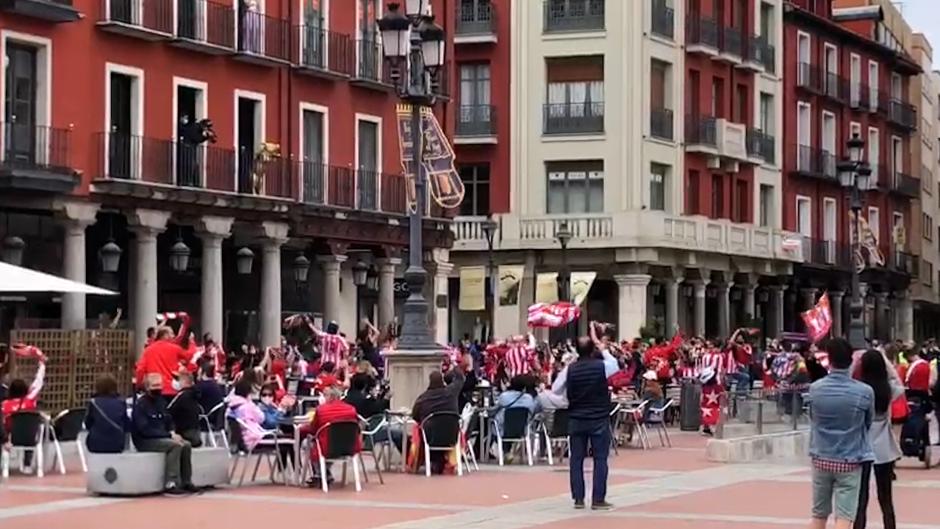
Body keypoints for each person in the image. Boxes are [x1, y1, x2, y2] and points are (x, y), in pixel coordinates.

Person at [808, 338, 874, 529]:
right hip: (850, 459)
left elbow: (813, 418)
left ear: (830, 360)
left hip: (821, 456)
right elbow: (867, 423)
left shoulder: (815, 388)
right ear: (851, 360)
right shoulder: (864, 391)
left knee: (818, 514)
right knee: (845, 516)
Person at [551, 331, 618, 511]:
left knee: (576, 459)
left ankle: (578, 498)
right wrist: (602, 348)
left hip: (577, 417)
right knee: (600, 459)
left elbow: (556, 389)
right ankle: (598, 498)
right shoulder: (602, 366)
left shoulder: (570, 369)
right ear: (592, 350)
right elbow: (615, 365)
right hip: (598, 417)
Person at [854, 349, 902, 529]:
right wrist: (886, 361)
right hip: (884, 448)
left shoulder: (859, 390)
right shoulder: (888, 390)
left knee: (861, 497)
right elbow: (898, 381)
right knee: (886, 499)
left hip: (861, 446)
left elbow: (849, 374)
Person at [132, 373, 195, 495]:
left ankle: (186, 481)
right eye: (154, 385)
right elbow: (144, 429)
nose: (158, 388)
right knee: (175, 446)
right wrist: (168, 435)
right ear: (147, 387)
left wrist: (172, 432)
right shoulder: (141, 404)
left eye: (159, 385)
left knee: (186, 444)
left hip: (163, 436)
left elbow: (168, 420)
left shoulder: (161, 401)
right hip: (145, 440)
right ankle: (171, 482)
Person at [298, 386, 360, 483]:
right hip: (349, 447)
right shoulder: (351, 409)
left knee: (308, 443)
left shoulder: (321, 410)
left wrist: (300, 429)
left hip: (327, 447)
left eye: (324, 395)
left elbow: (313, 429)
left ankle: (320, 473)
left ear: (329, 396)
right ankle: (325, 472)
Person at [135, 326, 193, 396]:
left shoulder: (148, 350)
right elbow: (188, 357)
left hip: (154, 389)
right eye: (172, 333)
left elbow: (140, 369)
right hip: (172, 389)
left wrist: (139, 385)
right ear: (165, 335)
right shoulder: (175, 348)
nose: (174, 336)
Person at [1, 346, 46, 433]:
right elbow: (38, 382)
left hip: (10, 437)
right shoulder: (30, 400)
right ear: (26, 389)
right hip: (29, 436)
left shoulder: (4, 406)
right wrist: (42, 364)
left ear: (10, 390)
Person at [85, 376, 129, 453]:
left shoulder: (94, 402)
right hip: (117, 444)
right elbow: (126, 424)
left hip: (96, 444)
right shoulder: (121, 402)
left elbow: (88, 424)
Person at [167, 371, 202, 447]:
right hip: (196, 433)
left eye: (178, 380)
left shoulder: (182, 396)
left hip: (185, 433)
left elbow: (169, 411)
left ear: (184, 382)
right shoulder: (194, 395)